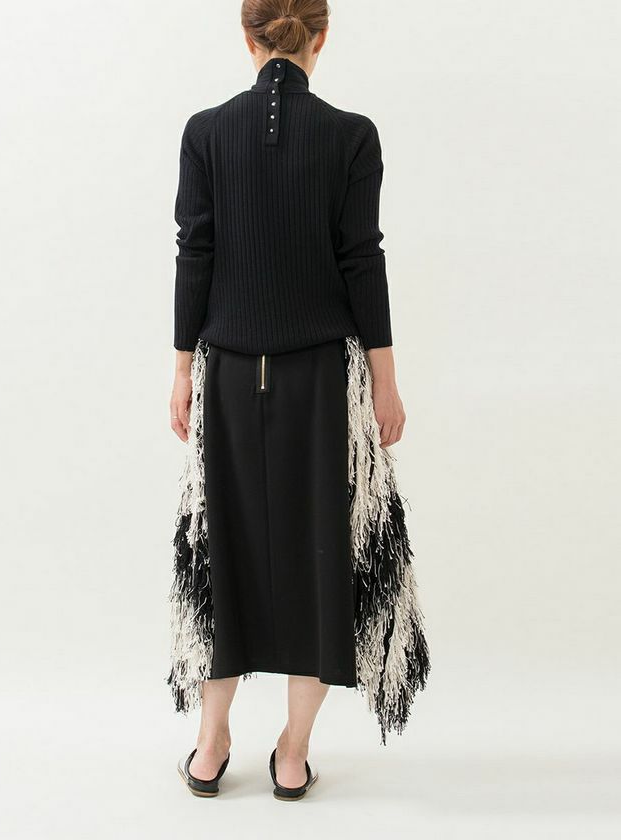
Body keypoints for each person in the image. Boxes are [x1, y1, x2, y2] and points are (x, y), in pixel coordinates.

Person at [167, 0, 430, 800]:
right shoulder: (352, 136)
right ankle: (291, 754)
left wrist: (181, 369)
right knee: (320, 554)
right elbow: (362, 259)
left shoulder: (206, 132)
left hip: (226, 376)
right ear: (322, 34)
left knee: (222, 555)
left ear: (246, 34)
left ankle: (210, 746)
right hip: (321, 379)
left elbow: (195, 252)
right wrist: (385, 378)